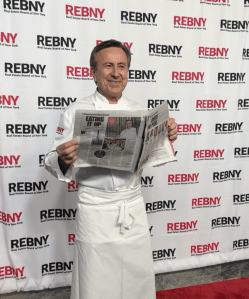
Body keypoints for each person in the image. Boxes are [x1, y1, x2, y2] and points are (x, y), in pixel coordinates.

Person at [44, 39, 177, 299]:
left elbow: (151, 156)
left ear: (128, 71)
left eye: (122, 66)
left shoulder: (140, 111)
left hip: (133, 208)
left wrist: (166, 139)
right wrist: (63, 157)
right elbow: (50, 161)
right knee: (96, 281)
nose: (116, 73)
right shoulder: (75, 111)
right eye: (107, 66)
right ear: (93, 73)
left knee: (136, 278)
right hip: (95, 211)